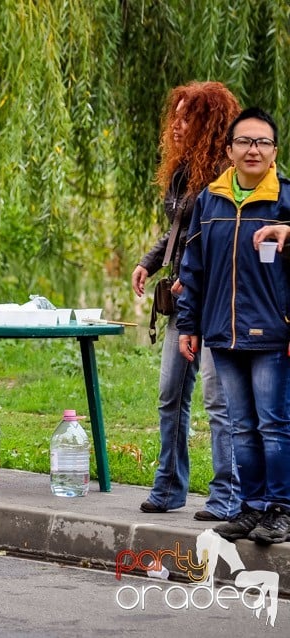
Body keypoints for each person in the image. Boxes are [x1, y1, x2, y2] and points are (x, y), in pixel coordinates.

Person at [178, 107, 290, 545]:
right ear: (228, 150)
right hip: (222, 334)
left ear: (275, 151)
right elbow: (194, 268)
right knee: (241, 426)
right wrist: (190, 325)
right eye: (244, 141)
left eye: (262, 142)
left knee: (274, 425)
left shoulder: (285, 198)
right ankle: (253, 507)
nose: (253, 149)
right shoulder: (210, 199)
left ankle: (281, 509)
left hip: (273, 336)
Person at [130, 81, 241, 521]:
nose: (176, 126)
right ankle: (170, 485)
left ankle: (226, 494)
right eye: (174, 118)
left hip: (214, 301)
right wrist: (150, 261)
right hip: (183, 301)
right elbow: (178, 229)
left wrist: (192, 280)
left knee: (218, 399)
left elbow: (222, 242)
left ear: (210, 124)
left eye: (186, 118)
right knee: (169, 393)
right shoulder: (184, 172)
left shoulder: (226, 178)